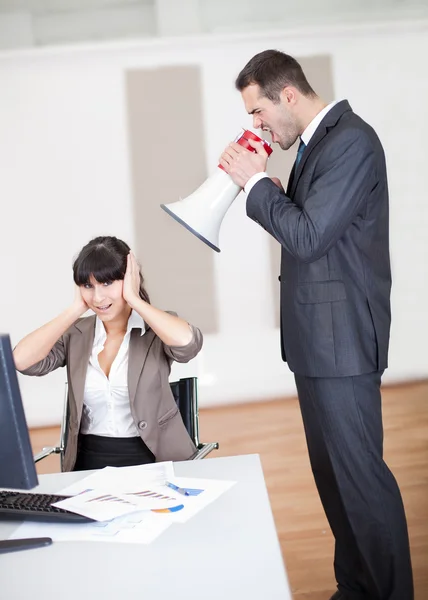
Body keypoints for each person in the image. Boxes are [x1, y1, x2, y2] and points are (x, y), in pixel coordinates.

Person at [219, 50, 413, 600]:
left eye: (258, 112)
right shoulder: (314, 146)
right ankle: (355, 587)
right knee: (335, 483)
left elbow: (306, 237)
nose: (255, 125)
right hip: (317, 344)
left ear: (288, 95)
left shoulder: (351, 140)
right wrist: (275, 193)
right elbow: (317, 230)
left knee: (362, 485)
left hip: (343, 342)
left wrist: (258, 186)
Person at [13, 235, 202, 472]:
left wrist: (134, 299)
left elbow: (188, 344)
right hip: (89, 463)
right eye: (88, 286)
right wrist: (74, 310)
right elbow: (21, 361)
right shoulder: (76, 334)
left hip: (154, 460)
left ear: (129, 279)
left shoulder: (156, 327)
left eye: (107, 283)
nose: (98, 297)